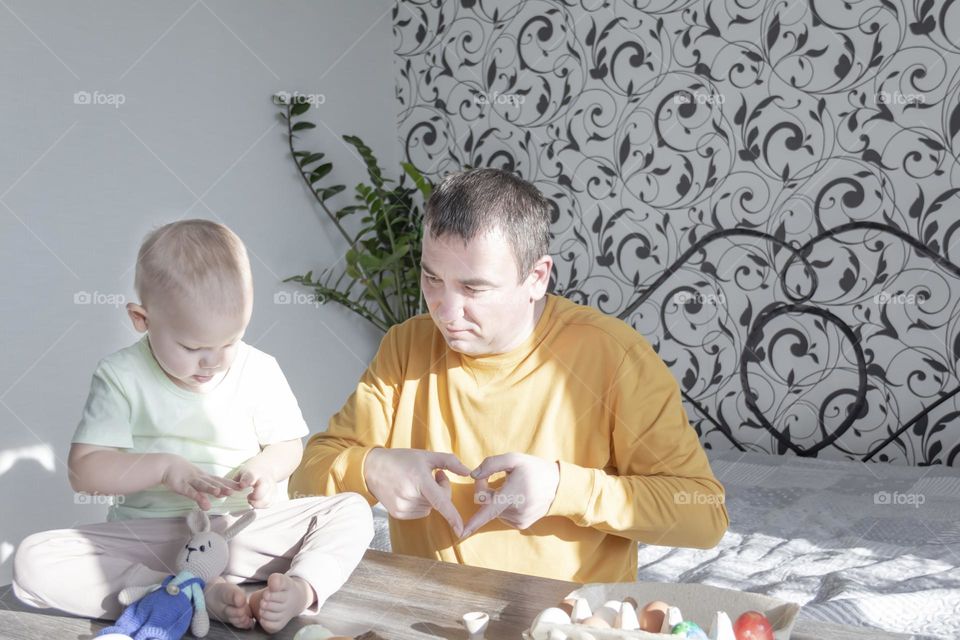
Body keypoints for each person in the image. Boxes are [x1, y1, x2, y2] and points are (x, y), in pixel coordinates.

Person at [288, 168, 729, 583]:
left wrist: (563, 488)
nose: (444, 309)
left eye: (473, 288)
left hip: (565, 625)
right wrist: (369, 469)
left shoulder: (617, 356)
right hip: (425, 614)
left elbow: (705, 516)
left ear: (537, 277)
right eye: (431, 278)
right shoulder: (406, 346)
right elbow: (305, 479)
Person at [13, 220, 373, 634]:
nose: (214, 362)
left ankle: (300, 588)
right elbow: (84, 471)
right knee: (33, 559)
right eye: (192, 347)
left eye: (229, 342)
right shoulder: (120, 375)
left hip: (241, 531)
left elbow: (288, 445)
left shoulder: (259, 369)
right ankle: (178, 592)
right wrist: (164, 469)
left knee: (350, 510)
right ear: (141, 319)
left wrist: (265, 471)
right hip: (154, 541)